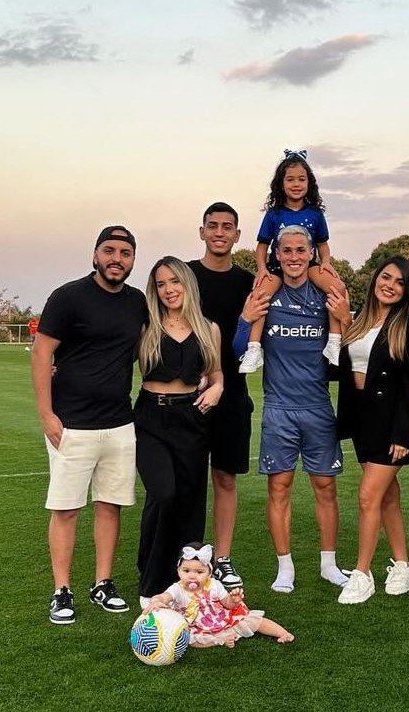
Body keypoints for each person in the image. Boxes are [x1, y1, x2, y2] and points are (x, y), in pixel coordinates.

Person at [31, 225, 148, 625]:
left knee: (110, 506)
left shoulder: (138, 303)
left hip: (119, 423)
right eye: (110, 251)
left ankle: (103, 583)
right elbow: (42, 353)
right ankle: (62, 590)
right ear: (96, 254)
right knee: (65, 509)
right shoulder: (68, 297)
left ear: (133, 260)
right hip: (71, 425)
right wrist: (47, 414)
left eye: (126, 253)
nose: (117, 259)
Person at [232, 225, 350, 593]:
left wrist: (344, 319)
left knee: (325, 487)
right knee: (279, 488)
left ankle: (328, 564)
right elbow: (238, 348)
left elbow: (349, 351)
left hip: (318, 408)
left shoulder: (325, 293)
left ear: (312, 252)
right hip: (279, 409)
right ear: (277, 255)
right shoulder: (267, 293)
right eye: (287, 250)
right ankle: (285, 567)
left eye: (302, 250)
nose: (295, 257)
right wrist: (244, 319)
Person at [332, 256, 409, 604]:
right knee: (387, 497)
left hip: (391, 423)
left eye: (400, 282)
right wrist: (341, 321)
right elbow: (338, 369)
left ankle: (362, 573)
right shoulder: (356, 323)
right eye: (386, 277)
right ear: (375, 280)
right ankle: (403, 565)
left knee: (368, 496)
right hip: (362, 421)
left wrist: (403, 434)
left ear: (406, 291)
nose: (390, 285)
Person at [133, 257, 224, 607]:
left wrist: (216, 389)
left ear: (187, 284)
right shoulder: (146, 327)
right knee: (164, 493)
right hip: (150, 420)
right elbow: (108, 357)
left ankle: (189, 583)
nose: (168, 290)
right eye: (160, 284)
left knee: (189, 502)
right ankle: (151, 581)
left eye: (175, 282)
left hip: (192, 419)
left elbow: (216, 376)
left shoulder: (208, 328)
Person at [188, 202, 255, 590]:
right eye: (212, 226)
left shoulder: (247, 282)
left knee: (225, 478)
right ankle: (191, 555)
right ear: (202, 232)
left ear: (236, 235)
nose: (219, 232)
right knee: (191, 480)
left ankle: (223, 558)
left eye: (226, 227)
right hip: (190, 395)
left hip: (233, 395)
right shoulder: (186, 276)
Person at [238, 149, 346, 373]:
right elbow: (262, 247)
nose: (296, 184)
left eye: (301, 179)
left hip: (309, 265)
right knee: (260, 294)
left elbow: (323, 245)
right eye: (290, 179)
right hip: (278, 267)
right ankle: (254, 348)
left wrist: (325, 262)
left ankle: (334, 341)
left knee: (337, 287)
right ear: (281, 183)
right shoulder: (274, 213)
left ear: (309, 183)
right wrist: (261, 269)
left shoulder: (315, 213)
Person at [143, 543, 293, 647]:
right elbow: (164, 596)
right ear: (178, 570)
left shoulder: (214, 585)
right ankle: (220, 640)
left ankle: (282, 633)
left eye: (199, 572)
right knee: (193, 641)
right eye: (186, 571)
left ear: (209, 573)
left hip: (221, 618)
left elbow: (227, 603)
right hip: (196, 625)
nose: (192, 576)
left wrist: (234, 600)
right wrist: (156, 601)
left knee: (255, 621)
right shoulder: (178, 588)